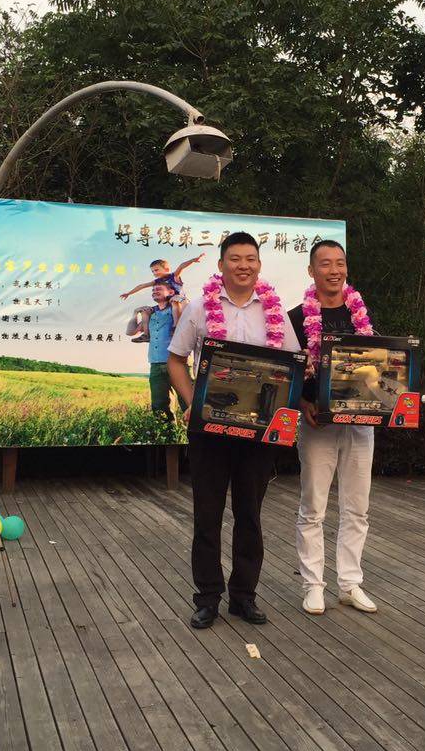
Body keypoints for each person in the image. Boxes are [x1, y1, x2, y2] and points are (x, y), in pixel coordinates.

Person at [168, 232, 300, 629]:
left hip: (257, 433)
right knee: (207, 514)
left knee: (249, 515)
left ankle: (244, 596)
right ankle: (207, 598)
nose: (243, 265)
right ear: (221, 265)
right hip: (210, 430)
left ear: (259, 265)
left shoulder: (274, 310)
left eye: (250, 259)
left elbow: (294, 364)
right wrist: (192, 403)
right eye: (235, 258)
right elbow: (175, 360)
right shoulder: (198, 308)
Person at [288, 240, 378, 617]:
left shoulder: (360, 313)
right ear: (312, 271)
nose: (334, 270)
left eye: (340, 263)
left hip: (360, 424)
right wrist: (303, 403)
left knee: (358, 507)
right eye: (325, 264)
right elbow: (288, 373)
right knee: (313, 507)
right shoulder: (296, 318)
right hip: (317, 424)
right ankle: (312, 585)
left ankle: (350, 584)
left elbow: (379, 365)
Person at [127, 282, 178, 412]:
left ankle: (193, 426)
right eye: (153, 290)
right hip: (156, 363)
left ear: (171, 292)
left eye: (158, 289)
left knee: (188, 401)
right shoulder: (151, 315)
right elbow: (130, 332)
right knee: (159, 405)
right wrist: (135, 313)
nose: (154, 291)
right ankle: (165, 426)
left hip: (177, 362)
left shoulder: (177, 308)